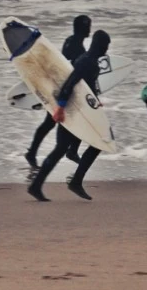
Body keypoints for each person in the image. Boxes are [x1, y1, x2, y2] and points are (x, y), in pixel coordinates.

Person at [27, 30, 111, 202]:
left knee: (62, 149)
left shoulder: (90, 61)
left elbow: (85, 88)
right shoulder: (87, 62)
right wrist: (60, 108)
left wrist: (95, 102)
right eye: (107, 45)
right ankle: (75, 181)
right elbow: (69, 84)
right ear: (101, 45)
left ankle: (37, 185)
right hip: (73, 111)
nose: (107, 48)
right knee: (100, 141)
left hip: (79, 110)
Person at [24, 15, 91, 168]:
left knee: (50, 123)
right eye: (87, 26)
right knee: (56, 122)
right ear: (81, 28)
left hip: (61, 88)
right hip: (64, 90)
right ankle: (69, 151)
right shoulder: (76, 45)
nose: (89, 29)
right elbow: (72, 68)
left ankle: (34, 152)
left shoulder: (71, 41)